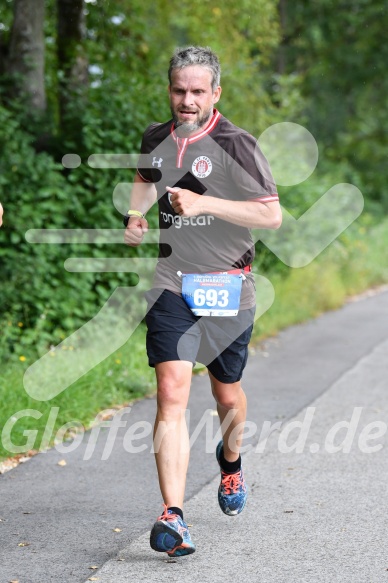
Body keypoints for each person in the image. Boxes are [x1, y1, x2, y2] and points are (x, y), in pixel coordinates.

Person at [124, 46, 281, 557]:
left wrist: (204, 201)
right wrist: (136, 214)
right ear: (169, 89)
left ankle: (230, 465)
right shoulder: (156, 137)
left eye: (196, 92)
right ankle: (174, 515)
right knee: (171, 393)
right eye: (178, 90)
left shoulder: (238, 145)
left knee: (227, 397)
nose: (186, 100)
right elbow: (145, 179)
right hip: (173, 280)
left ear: (216, 93)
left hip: (228, 286)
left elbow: (271, 217)